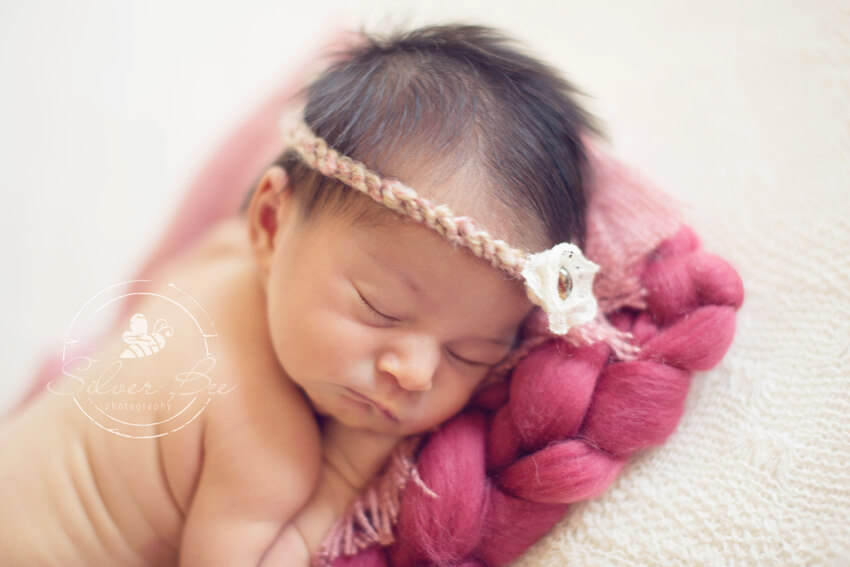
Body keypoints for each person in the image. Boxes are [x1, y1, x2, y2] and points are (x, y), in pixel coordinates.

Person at [0, 24, 742, 567]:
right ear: (269, 220)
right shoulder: (267, 449)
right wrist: (343, 474)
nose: (415, 372)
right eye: (381, 309)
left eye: (470, 352)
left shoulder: (220, 256)